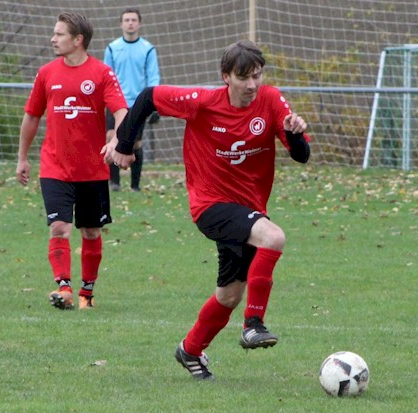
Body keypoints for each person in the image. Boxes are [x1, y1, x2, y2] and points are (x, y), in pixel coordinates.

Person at [104, 40, 310, 380]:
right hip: (210, 205)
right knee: (273, 237)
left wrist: (296, 134)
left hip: (248, 209)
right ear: (226, 77)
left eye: (257, 76)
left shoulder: (271, 100)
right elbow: (148, 97)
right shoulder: (202, 102)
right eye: (243, 77)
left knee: (229, 295)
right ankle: (253, 325)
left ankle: (190, 350)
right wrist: (125, 145)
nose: (252, 85)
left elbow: (301, 156)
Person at [17, 12, 128, 310]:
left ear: (78, 40)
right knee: (59, 227)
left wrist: (116, 141)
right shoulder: (46, 73)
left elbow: (121, 112)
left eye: (59, 34)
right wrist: (22, 158)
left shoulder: (102, 73)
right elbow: (31, 116)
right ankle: (64, 289)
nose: (53, 39)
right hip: (54, 166)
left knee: (90, 231)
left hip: (92, 169)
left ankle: (86, 294)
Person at [104, 7, 161, 192]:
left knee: (135, 143)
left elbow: (153, 77)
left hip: (138, 104)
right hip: (115, 103)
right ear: (121, 24)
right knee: (112, 137)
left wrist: (155, 104)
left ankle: (135, 185)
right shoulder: (112, 48)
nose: (130, 23)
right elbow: (106, 76)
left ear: (139, 24)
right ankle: (114, 183)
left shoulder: (148, 49)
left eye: (133, 20)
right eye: (127, 20)